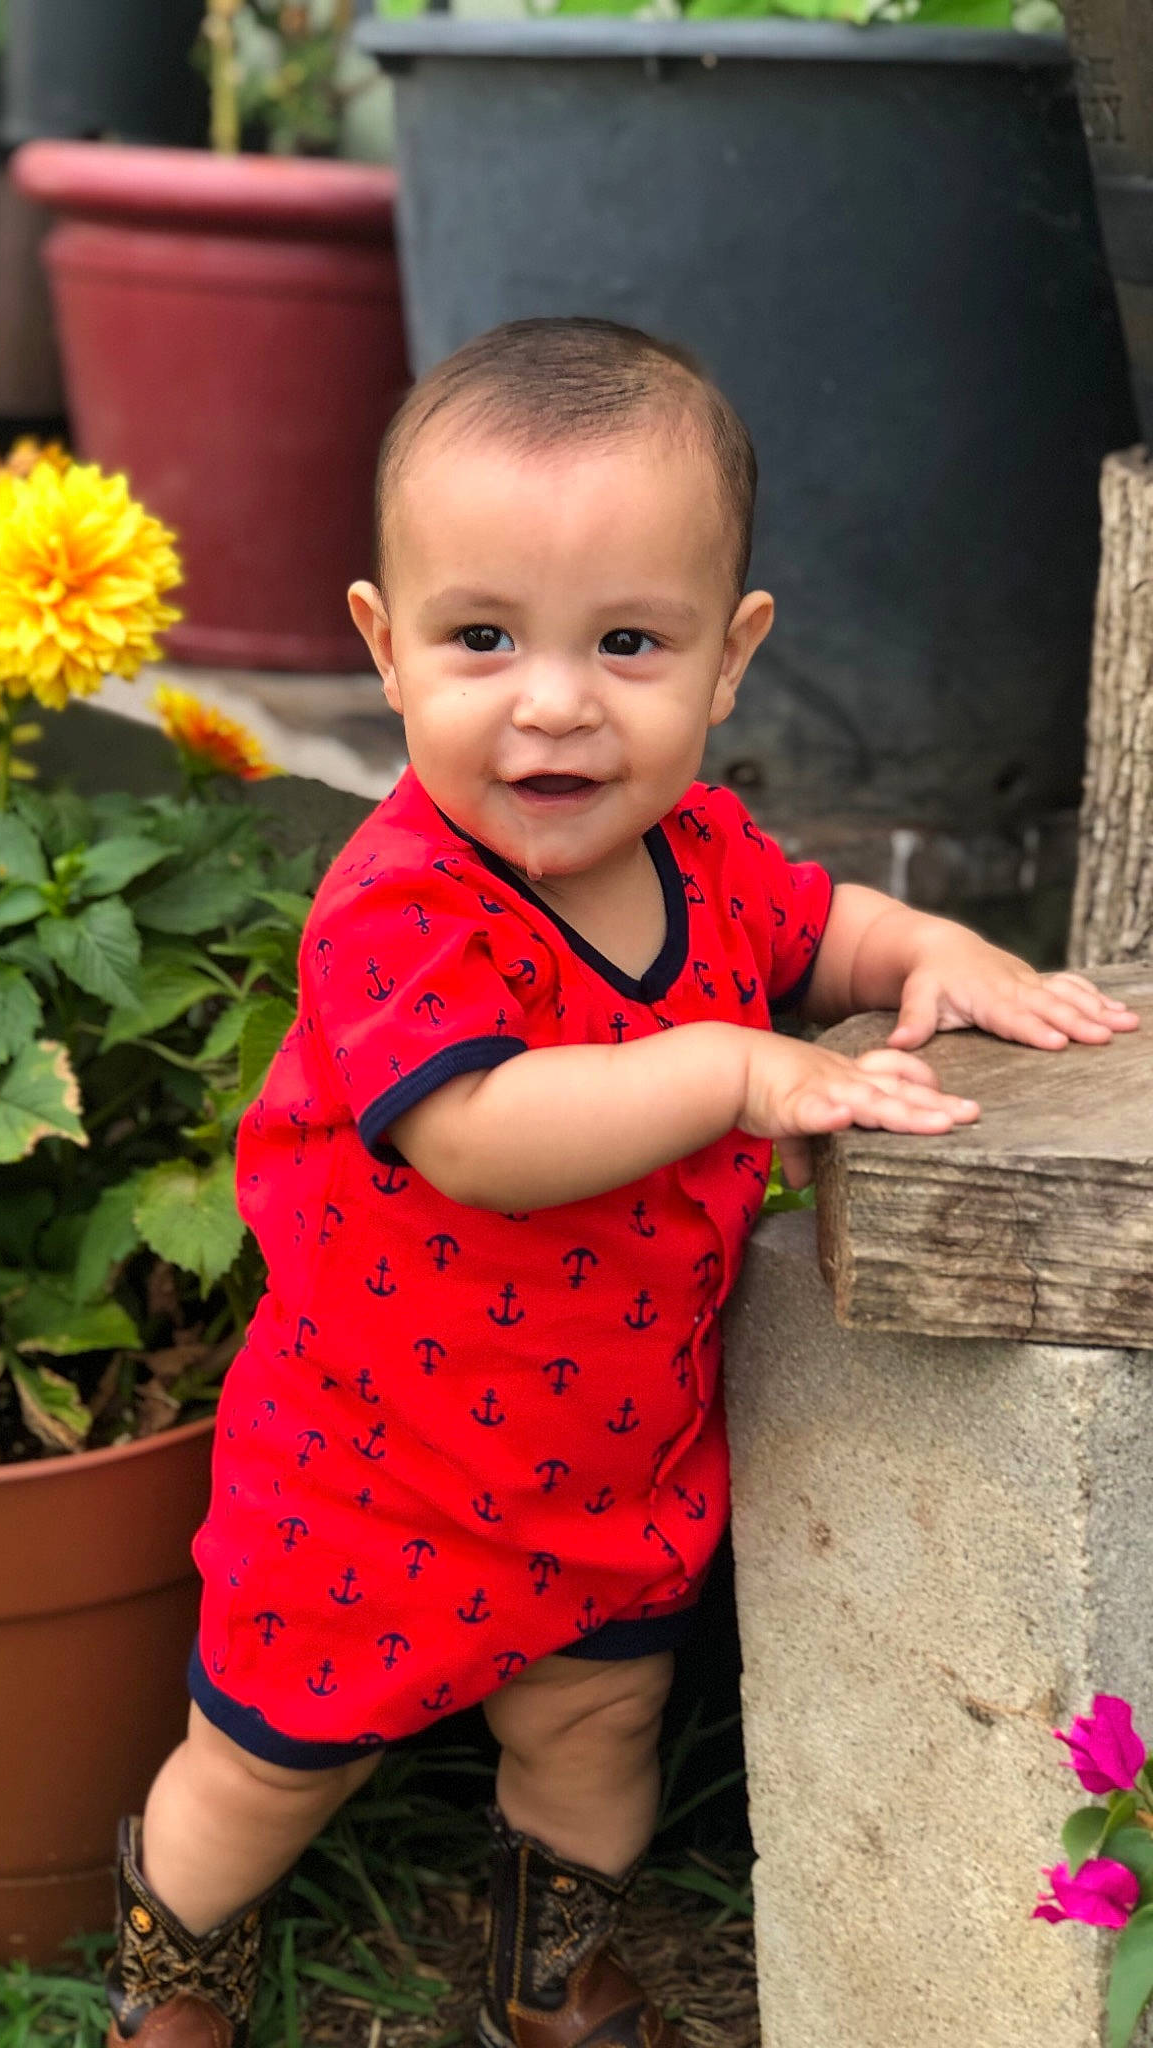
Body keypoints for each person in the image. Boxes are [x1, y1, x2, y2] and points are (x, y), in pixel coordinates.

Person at [103, 319, 1137, 2048]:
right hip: (376, 1474)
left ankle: (548, 1966)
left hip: (608, 1465)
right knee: (271, 1762)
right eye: (485, 635)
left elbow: (825, 927)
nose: (555, 699)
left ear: (730, 661)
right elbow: (478, 1133)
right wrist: (735, 1069)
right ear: (383, 645)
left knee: (597, 1736)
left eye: (629, 641)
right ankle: (173, 1968)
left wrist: (940, 949)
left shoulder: (707, 864)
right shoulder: (401, 909)